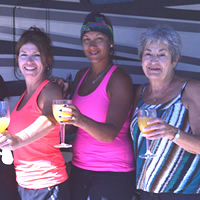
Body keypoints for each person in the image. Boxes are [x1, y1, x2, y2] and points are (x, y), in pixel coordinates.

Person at [60, 12, 136, 200]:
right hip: (80, 166)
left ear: (110, 43)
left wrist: (80, 119)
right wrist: (60, 95)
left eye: (99, 39)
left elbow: (110, 134)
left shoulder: (119, 79)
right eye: (86, 40)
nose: (92, 46)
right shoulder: (80, 76)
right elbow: (70, 126)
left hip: (112, 171)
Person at [130, 24, 200, 200]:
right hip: (145, 190)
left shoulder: (190, 90)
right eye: (148, 54)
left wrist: (172, 133)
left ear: (174, 60)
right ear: (141, 59)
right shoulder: (140, 92)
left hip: (183, 192)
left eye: (162, 55)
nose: (153, 61)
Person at [0, 27, 70, 200]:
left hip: (47, 183)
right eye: (24, 54)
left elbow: (49, 120)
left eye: (36, 55)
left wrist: (17, 140)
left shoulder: (50, 89)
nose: (29, 61)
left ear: (47, 61)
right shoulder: (23, 97)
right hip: (26, 185)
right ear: (18, 60)